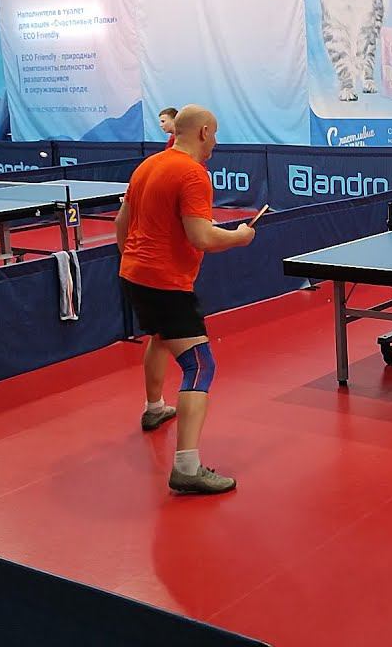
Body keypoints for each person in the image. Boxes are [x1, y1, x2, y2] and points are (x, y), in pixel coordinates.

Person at [116, 105, 255, 495]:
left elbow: (121, 223)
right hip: (165, 284)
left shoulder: (147, 165)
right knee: (200, 365)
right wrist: (239, 237)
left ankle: (154, 407)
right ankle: (187, 468)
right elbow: (202, 237)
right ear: (204, 132)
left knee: (161, 337)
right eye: (215, 134)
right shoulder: (194, 174)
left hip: (133, 275)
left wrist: (136, 260)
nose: (216, 142)